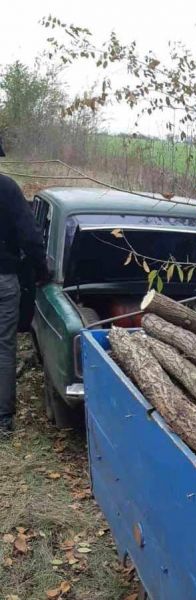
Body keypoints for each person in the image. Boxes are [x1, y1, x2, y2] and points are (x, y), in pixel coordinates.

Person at [0, 145, 49, 435]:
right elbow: (31, 238)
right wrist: (41, 270)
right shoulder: (7, 188)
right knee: (4, 348)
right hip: (4, 279)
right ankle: (2, 420)